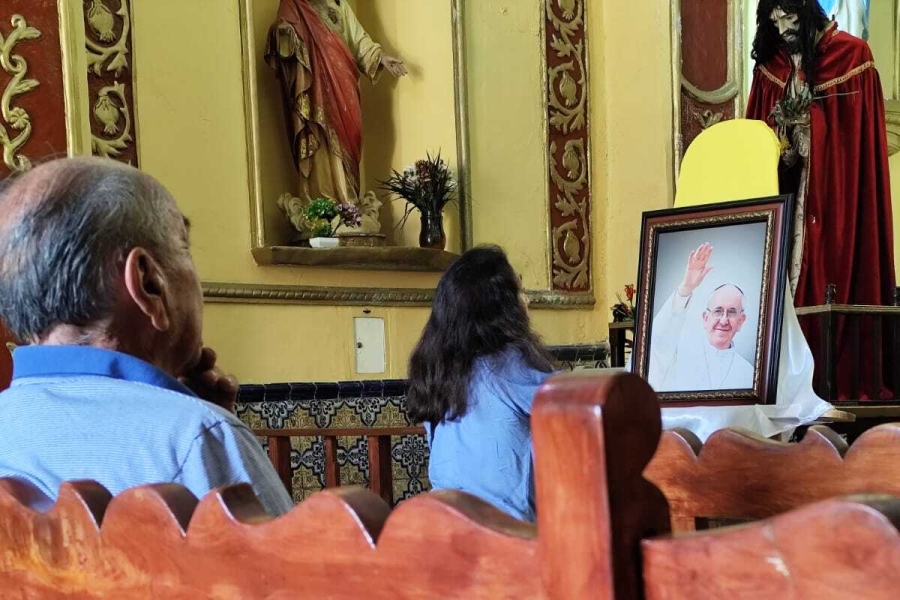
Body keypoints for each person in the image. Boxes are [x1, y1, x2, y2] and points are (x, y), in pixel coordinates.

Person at [0, 158, 293, 515]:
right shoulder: (196, 438)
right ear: (148, 282)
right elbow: (296, 572)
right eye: (184, 247)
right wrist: (200, 428)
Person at [747, 0, 895, 398]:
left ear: (806, 9)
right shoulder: (770, 71)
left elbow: (854, 154)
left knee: (829, 276)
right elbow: (758, 152)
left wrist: (813, 130)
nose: (782, 28)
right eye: (773, 20)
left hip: (834, 207)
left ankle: (827, 385)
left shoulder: (852, 58)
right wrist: (785, 148)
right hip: (789, 204)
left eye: (788, 16)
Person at [405, 246, 554, 522]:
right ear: (499, 306)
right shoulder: (506, 364)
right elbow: (575, 405)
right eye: (519, 291)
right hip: (505, 538)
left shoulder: (435, 373)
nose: (527, 301)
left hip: (446, 531)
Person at [266, 0, 408, 206]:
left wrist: (381, 58)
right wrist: (284, 33)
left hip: (344, 83)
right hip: (316, 90)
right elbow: (282, 37)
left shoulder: (339, 4)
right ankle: (323, 202)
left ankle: (349, 200)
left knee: (350, 134)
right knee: (321, 135)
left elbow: (359, 40)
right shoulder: (295, 4)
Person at [649, 244, 755, 392]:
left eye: (731, 313)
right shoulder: (680, 353)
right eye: (718, 311)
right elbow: (657, 339)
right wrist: (686, 288)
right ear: (705, 318)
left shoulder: (749, 373)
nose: (723, 321)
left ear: (741, 321)